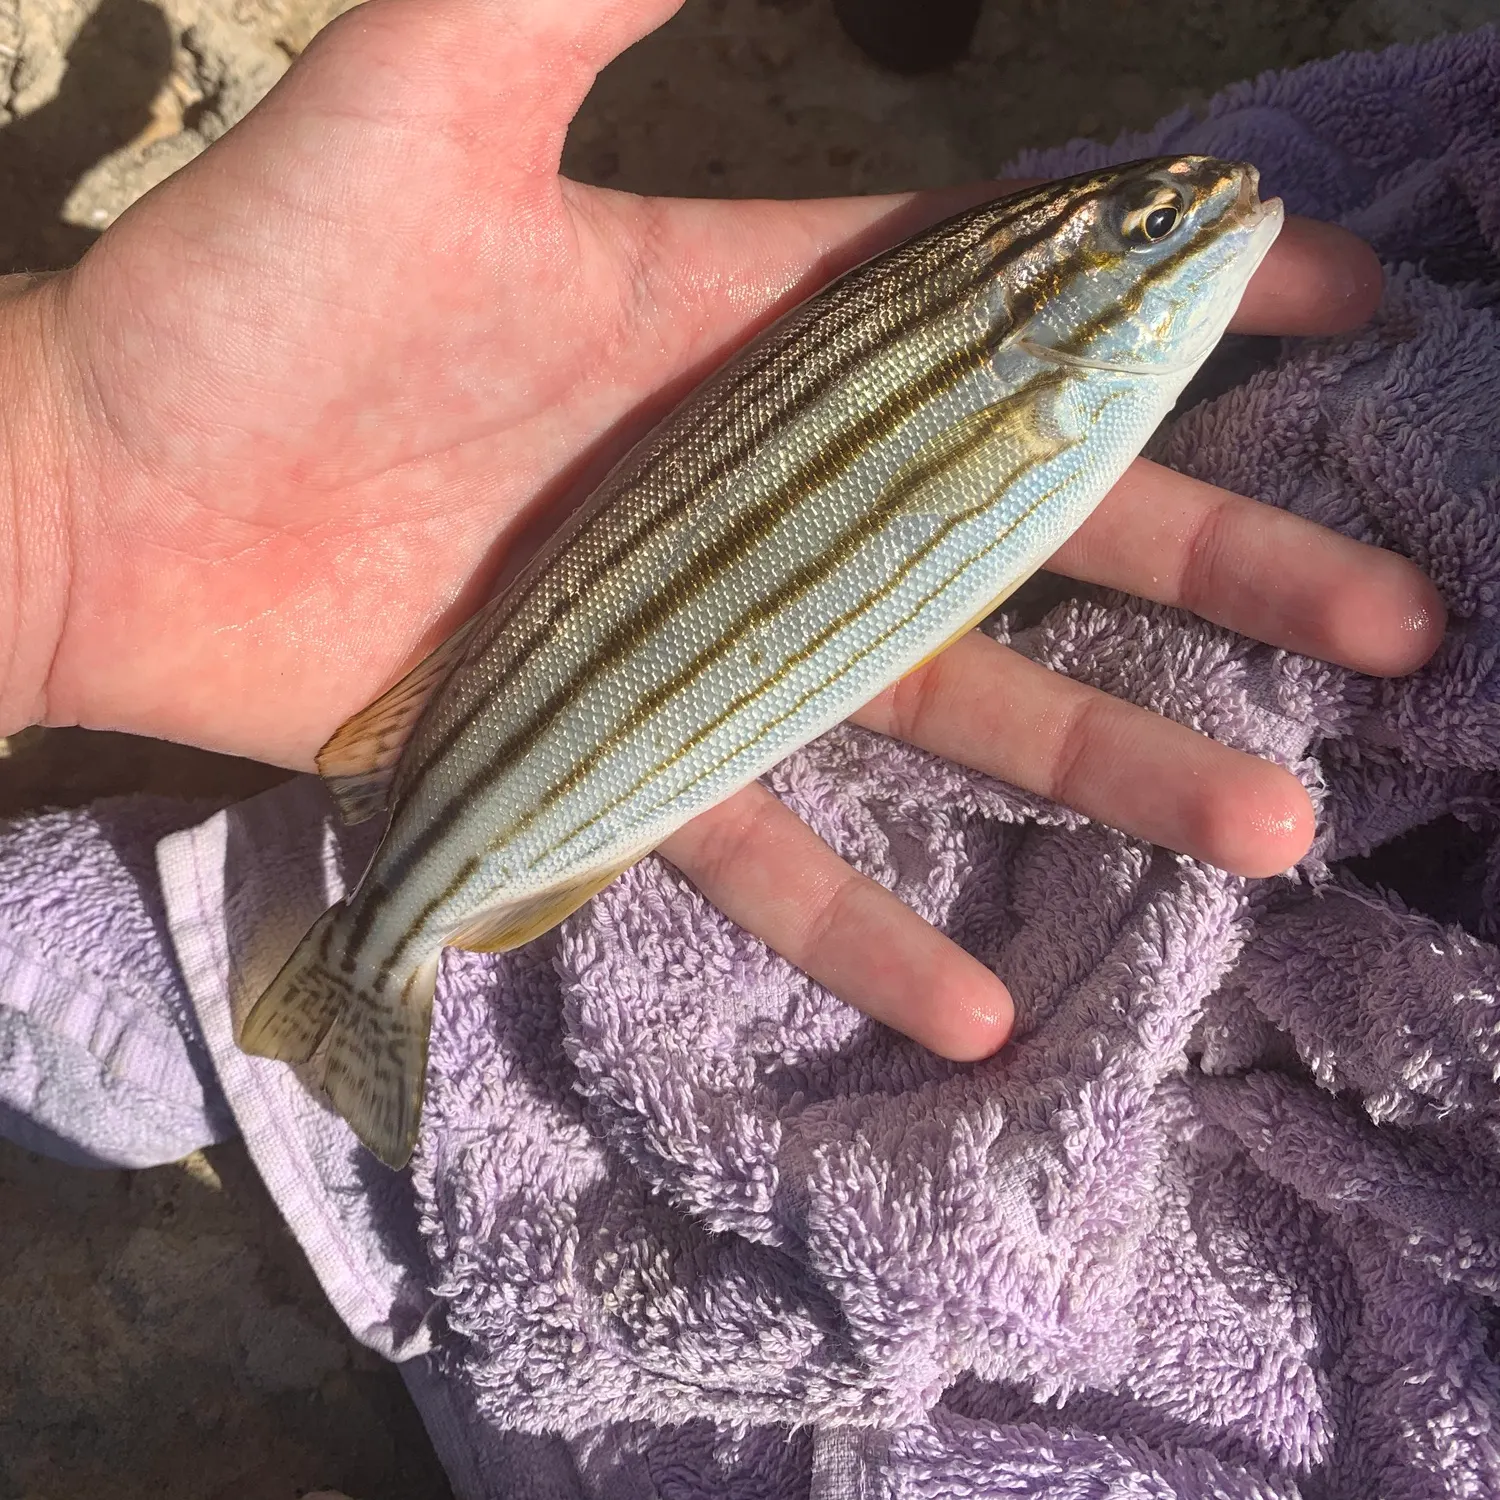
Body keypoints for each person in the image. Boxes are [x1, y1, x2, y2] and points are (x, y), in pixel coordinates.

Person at [0, 0, 1444, 1061]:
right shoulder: (1035, 389)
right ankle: (350, 966)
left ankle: (343, 955)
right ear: (1041, 331)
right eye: (1142, 234)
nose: (1198, 219)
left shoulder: (1063, 387)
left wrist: (59, 492)